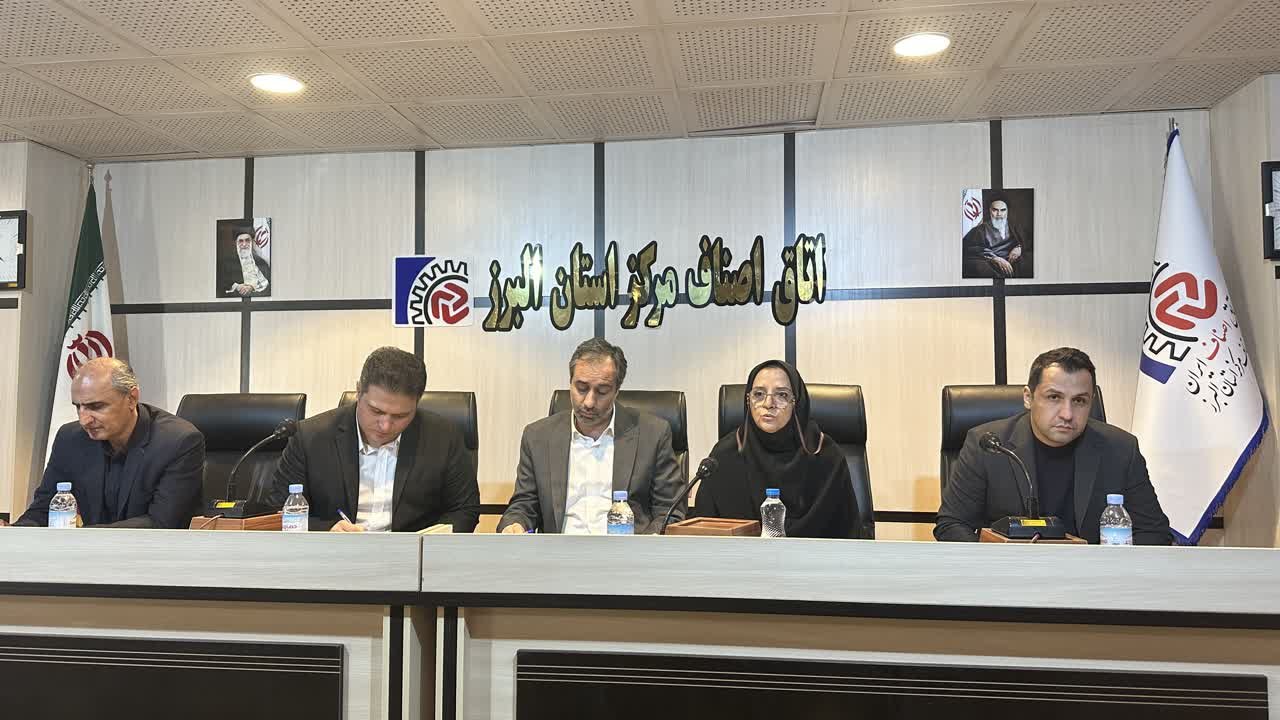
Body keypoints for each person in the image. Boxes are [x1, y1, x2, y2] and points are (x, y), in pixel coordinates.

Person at [935, 347, 1172, 544]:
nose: (1067, 414)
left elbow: (1154, 533)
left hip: (1092, 579)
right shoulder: (988, 445)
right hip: (1011, 578)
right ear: (1028, 397)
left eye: (1079, 401)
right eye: (1054, 397)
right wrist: (996, 567)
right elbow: (951, 524)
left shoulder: (1121, 449)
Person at [268, 346, 479, 532]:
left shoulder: (443, 438)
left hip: (413, 558)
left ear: (417, 402)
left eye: (400, 416)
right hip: (333, 555)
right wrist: (327, 530)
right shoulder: (310, 437)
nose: (385, 425)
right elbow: (277, 512)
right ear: (359, 391)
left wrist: (430, 543)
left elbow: (464, 509)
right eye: (376, 411)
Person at [498, 338, 683, 534]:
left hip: (626, 550)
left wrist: (646, 545)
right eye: (581, 388)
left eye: (602, 391)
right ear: (570, 383)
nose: (589, 402)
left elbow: (669, 512)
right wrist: (515, 524)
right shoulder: (538, 437)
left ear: (616, 391)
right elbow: (524, 505)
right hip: (559, 550)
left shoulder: (652, 434)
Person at [3, 358, 204, 528]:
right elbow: (43, 511)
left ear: (132, 398)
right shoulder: (70, 438)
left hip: (153, 556)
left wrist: (82, 537)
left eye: (96, 406)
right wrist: (12, 534)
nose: (84, 420)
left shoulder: (178, 442)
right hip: (88, 555)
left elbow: (161, 523)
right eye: (78, 407)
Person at [692, 360, 862, 538]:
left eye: (781, 395)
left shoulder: (826, 456)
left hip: (815, 555)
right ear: (748, 401)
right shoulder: (724, 457)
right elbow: (702, 536)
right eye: (759, 394)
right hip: (739, 555)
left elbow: (851, 536)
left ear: (797, 402)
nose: (768, 403)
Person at [962, 198, 1026, 278]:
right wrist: (994, 258)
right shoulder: (979, 230)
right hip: (989, 262)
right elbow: (971, 248)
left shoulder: (1014, 227)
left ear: (1007, 211)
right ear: (990, 211)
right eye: (995, 210)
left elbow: (1026, 241)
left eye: (1003, 210)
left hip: (1012, 260)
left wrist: (1019, 247)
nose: (999, 214)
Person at [220, 231, 270, 297]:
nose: (244, 244)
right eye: (241, 241)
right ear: (236, 243)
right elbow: (222, 284)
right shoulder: (227, 263)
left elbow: (268, 284)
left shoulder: (262, 262)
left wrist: (252, 287)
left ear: (252, 242)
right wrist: (237, 286)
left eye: (247, 240)